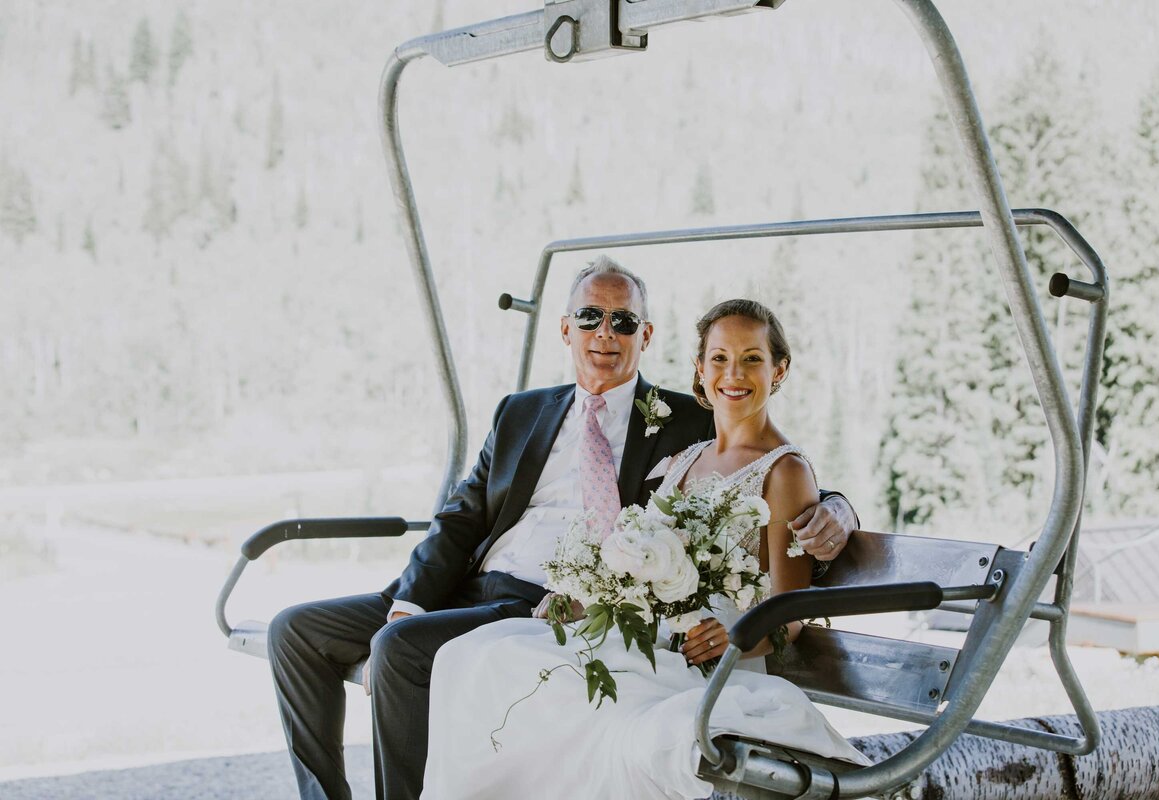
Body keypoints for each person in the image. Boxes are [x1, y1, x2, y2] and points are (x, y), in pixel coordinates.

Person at [267, 257, 858, 800]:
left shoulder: (687, 419)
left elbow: (764, 468)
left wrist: (839, 509)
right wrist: (410, 600)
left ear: (645, 337)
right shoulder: (520, 412)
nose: (606, 332)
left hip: (544, 600)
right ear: (565, 328)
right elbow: (461, 516)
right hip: (464, 589)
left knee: (403, 654)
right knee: (294, 631)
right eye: (590, 317)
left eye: (624, 321)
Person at [421, 298, 868, 799]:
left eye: (752, 358)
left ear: (779, 369)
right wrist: (583, 593)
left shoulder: (784, 470)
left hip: (713, 656)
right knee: (476, 656)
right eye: (719, 358)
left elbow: (791, 612)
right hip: (652, 639)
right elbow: (641, 557)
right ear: (700, 369)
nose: (733, 373)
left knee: (580, 714)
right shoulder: (685, 460)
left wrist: (740, 636)